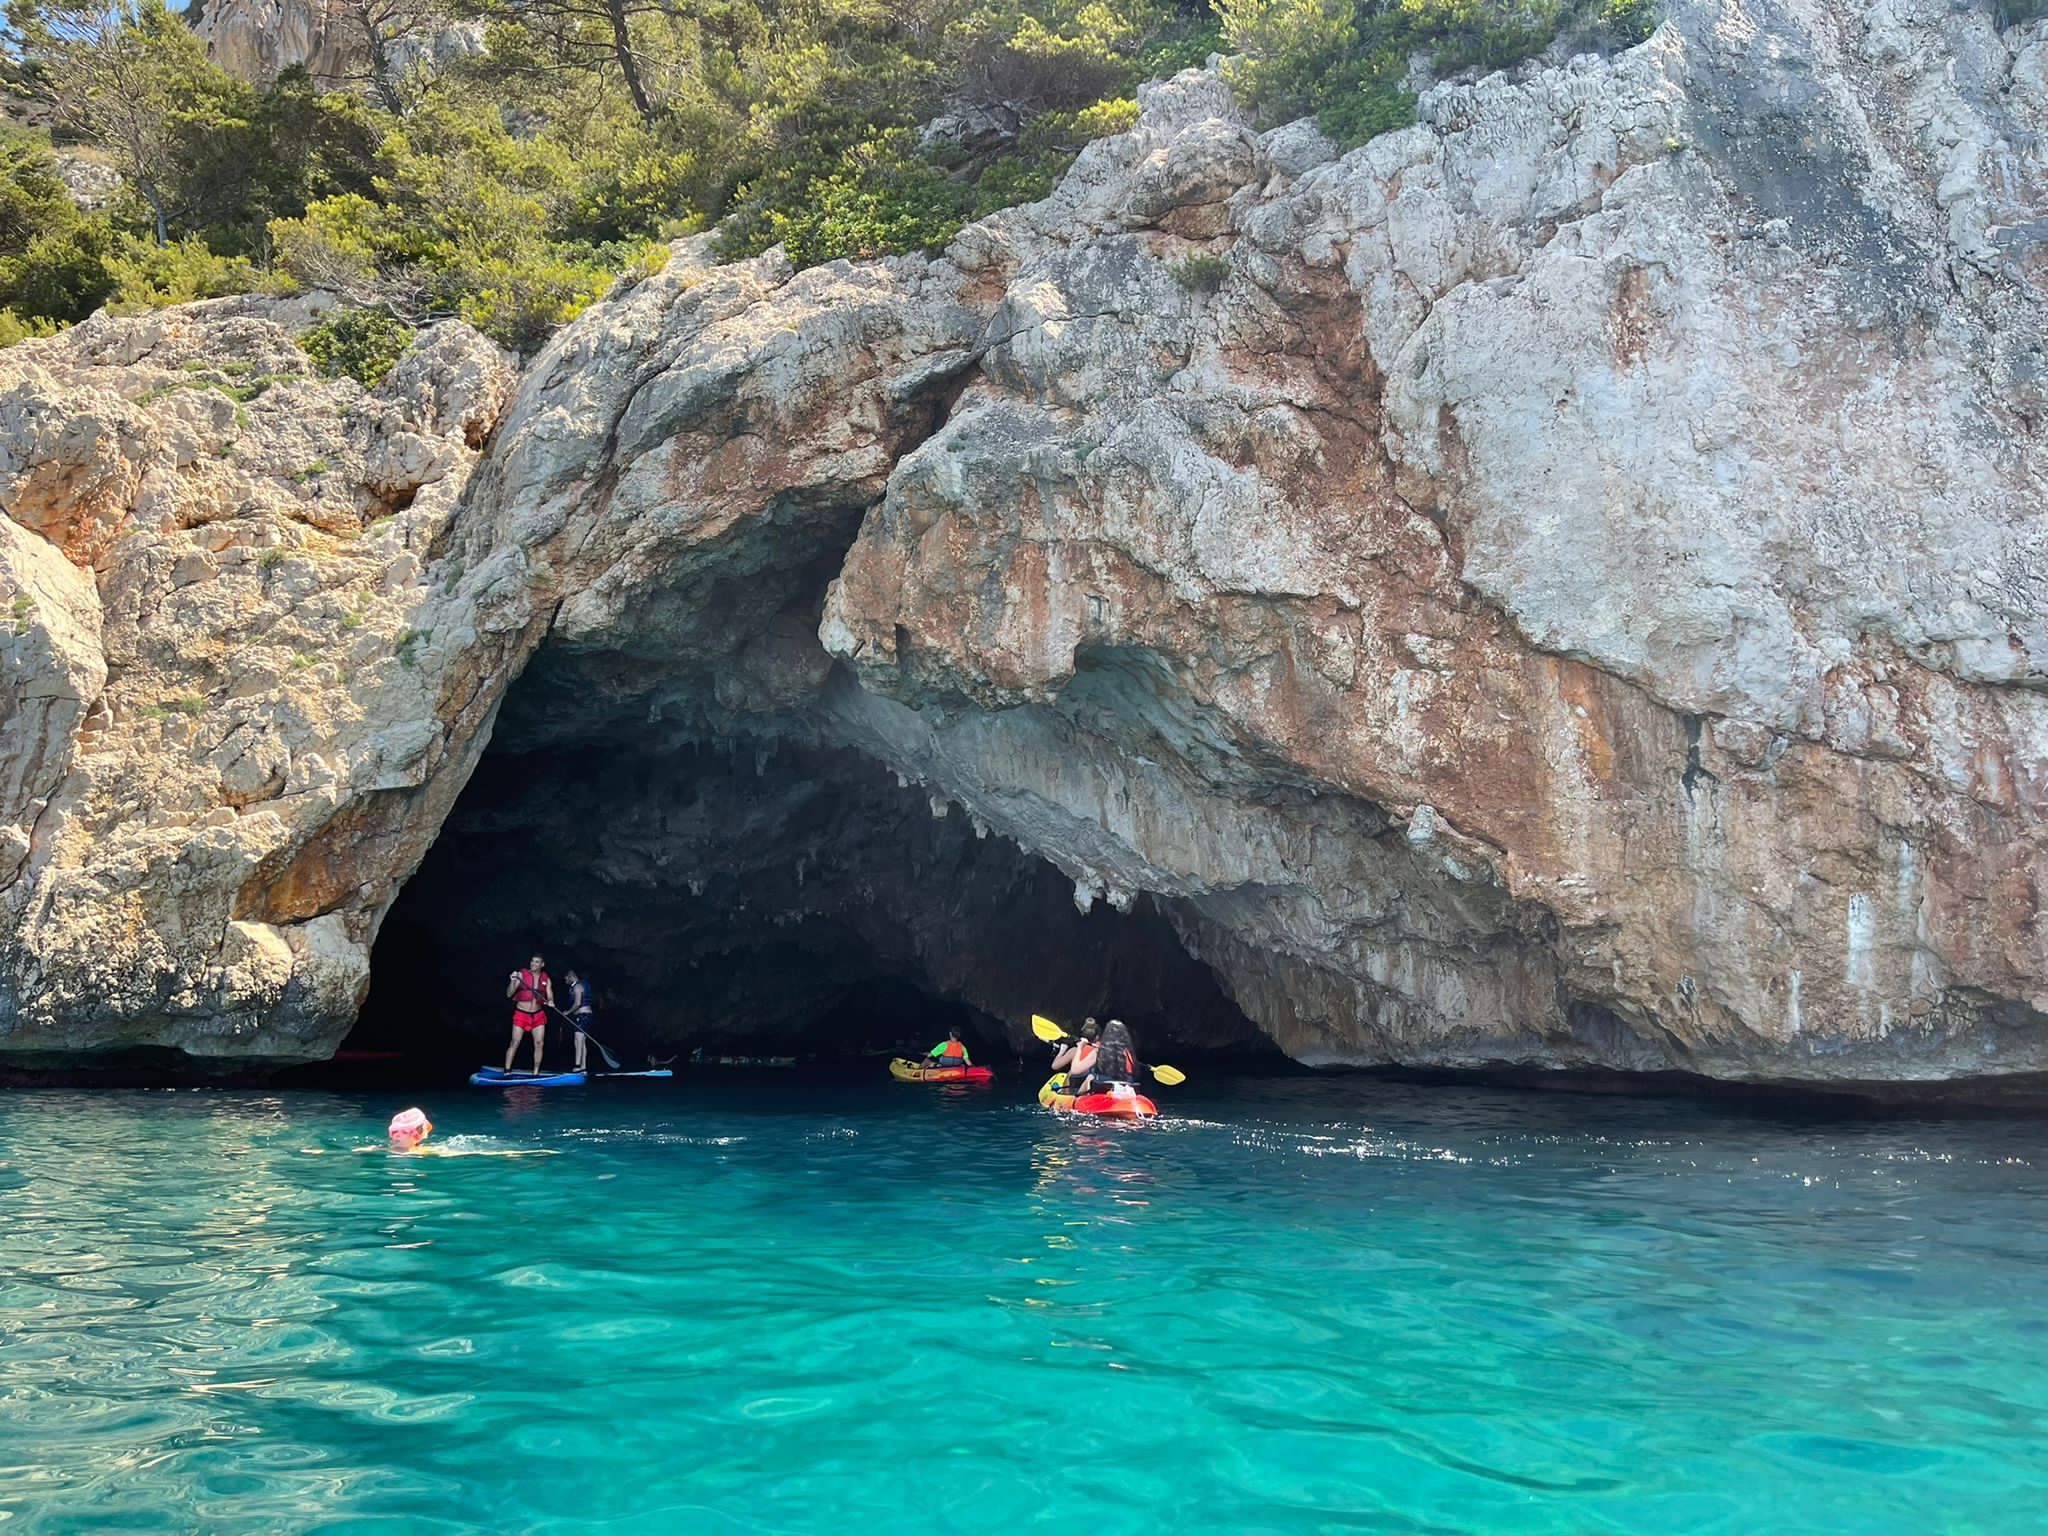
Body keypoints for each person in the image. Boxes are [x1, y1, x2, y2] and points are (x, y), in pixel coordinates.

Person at [504, 954, 555, 1074]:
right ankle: (507, 1071)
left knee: (539, 1043)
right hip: (521, 1013)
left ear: (542, 964)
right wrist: (512, 981)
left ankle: (536, 1072)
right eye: (532, 961)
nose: (533, 964)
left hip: (538, 1014)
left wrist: (551, 1001)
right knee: (515, 1042)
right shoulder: (521, 975)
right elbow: (509, 994)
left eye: (537, 962)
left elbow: (550, 995)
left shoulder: (546, 979)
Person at [1074, 1018, 1141, 1095]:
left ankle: (1077, 1098)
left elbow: (1075, 1070)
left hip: (1102, 1089)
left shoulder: (1099, 1052)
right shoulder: (1129, 1055)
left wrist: (1080, 1048)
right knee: (1091, 1077)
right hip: (1125, 1090)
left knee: (1090, 1077)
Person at [562, 968, 596, 1073]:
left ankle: (577, 1066)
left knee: (578, 1040)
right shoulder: (584, 984)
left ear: (571, 976)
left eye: (566, 979)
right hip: (587, 1016)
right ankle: (583, 1067)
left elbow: (577, 1003)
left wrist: (568, 1012)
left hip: (582, 1016)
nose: (565, 981)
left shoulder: (577, 986)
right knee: (582, 1041)